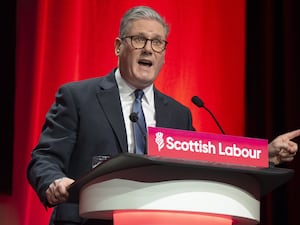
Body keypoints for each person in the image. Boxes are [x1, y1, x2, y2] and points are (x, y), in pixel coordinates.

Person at [27, 6, 300, 225]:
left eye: (157, 42)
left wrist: (266, 154)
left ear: (164, 54)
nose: (148, 48)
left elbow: (209, 158)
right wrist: (55, 181)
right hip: (88, 219)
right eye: (139, 39)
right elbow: (44, 158)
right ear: (118, 47)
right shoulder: (78, 97)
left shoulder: (179, 114)